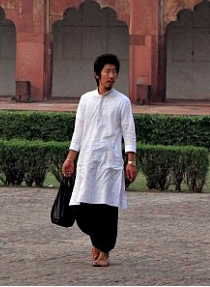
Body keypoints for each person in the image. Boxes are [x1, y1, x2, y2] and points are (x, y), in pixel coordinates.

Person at [61, 52, 138, 267]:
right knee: (82, 209)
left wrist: (130, 161)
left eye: (114, 72)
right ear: (97, 74)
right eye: (107, 71)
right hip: (87, 163)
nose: (111, 76)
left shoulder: (122, 102)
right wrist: (70, 159)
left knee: (106, 209)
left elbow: (128, 132)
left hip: (110, 164)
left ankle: (104, 251)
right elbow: (78, 132)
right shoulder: (86, 100)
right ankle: (96, 239)